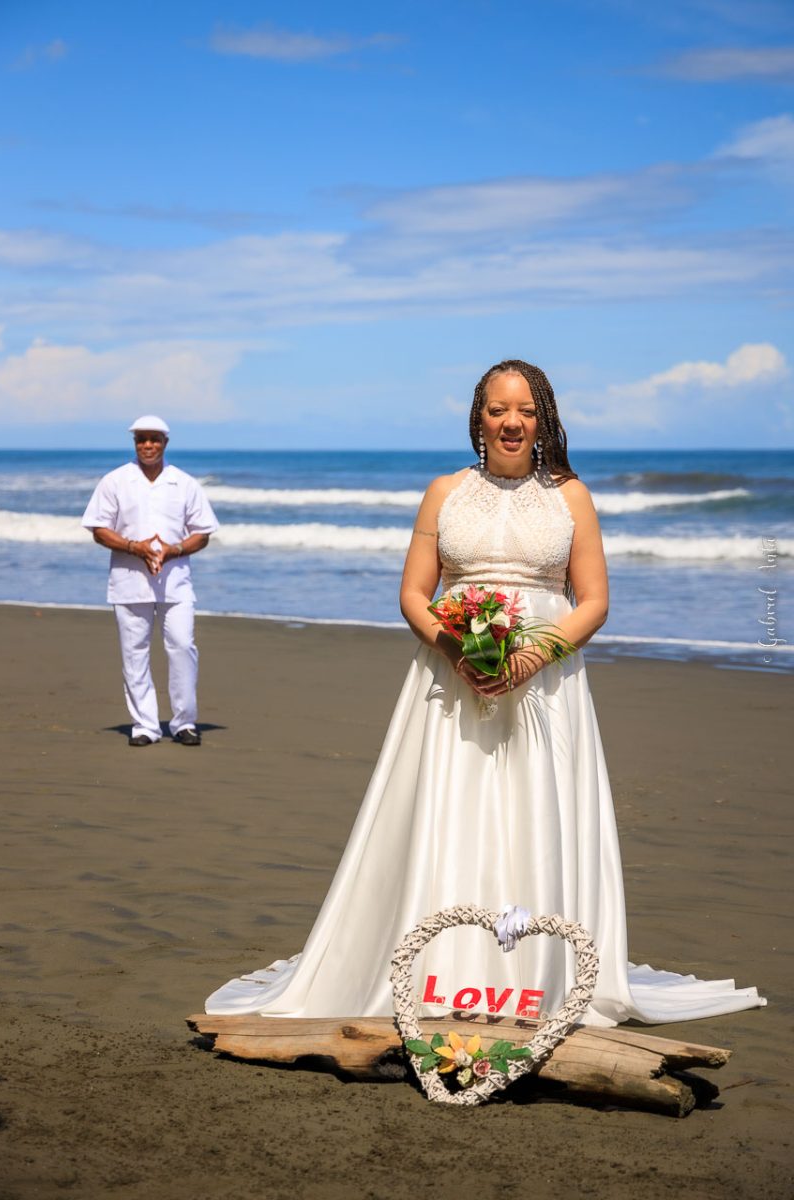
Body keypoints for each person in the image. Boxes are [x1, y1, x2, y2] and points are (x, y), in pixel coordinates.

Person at [205, 360, 766, 1027]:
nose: (512, 421)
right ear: (479, 418)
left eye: (525, 410)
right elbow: (415, 594)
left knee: (535, 813)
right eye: (499, 409)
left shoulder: (571, 496)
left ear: (543, 419)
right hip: (451, 679)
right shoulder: (444, 491)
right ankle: (442, 968)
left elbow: (594, 603)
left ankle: (531, 973)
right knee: (452, 810)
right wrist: (454, 648)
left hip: (546, 686)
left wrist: (531, 656)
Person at [82, 415, 219, 748]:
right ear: (134, 443)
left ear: (165, 443)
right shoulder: (115, 481)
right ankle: (144, 725)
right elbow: (99, 529)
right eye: (141, 439)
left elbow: (203, 533)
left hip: (176, 581)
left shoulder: (184, 483)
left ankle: (184, 722)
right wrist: (134, 547)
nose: (148, 445)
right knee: (134, 652)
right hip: (129, 580)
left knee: (183, 647)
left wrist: (173, 550)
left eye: (154, 439)